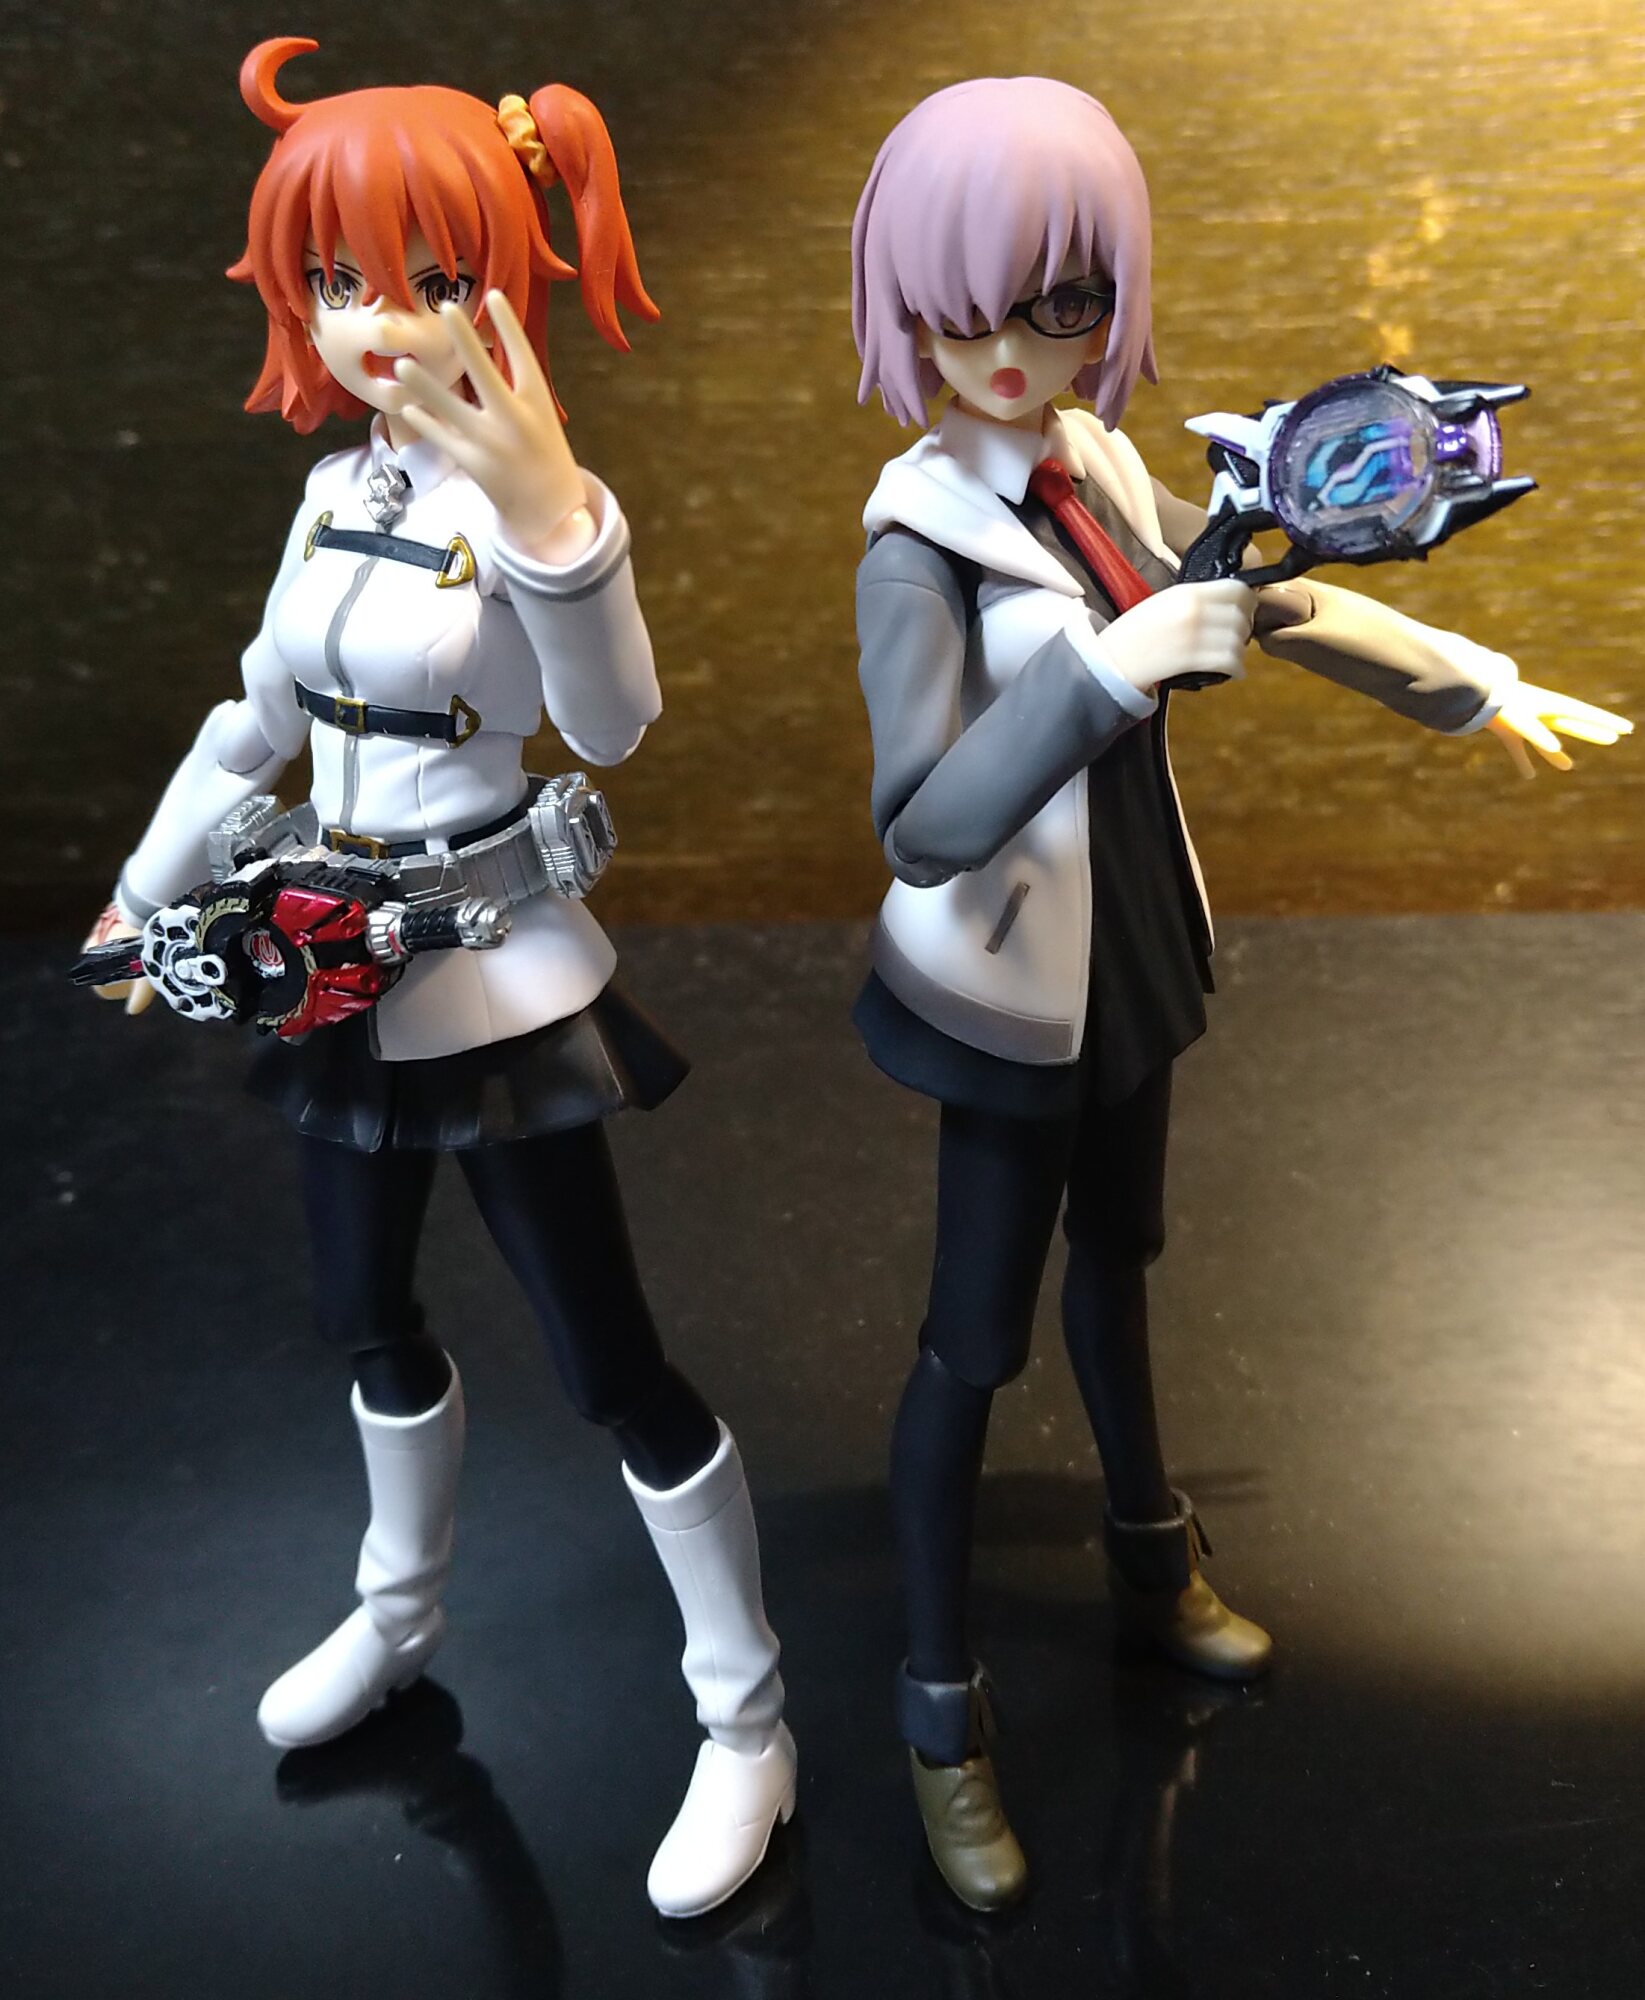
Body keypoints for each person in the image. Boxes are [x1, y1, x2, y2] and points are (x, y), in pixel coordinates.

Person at [849, 73, 1628, 1910]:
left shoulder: (1103, 468)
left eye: (1060, 303)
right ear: (906, 308)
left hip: (1130, 942)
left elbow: (1266, 596)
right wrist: (1106, 677)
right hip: (1000, 982)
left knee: (1122, 1263)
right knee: (973, 1343)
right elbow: (920, 826)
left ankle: (1151, 1555)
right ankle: (940, 1713)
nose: (1010, 350)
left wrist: (1464, 679)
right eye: (964, 308)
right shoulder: (914, 544)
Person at [82, 37, 796, 1920]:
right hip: (331, 976)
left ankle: (745, 1718)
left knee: (608, 1360)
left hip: (493, 979)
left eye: (424, 275)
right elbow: (254, 723)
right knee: (362, 1316)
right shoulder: (330, 493)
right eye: (337, 278)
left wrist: (560, 525)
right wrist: (141, 900)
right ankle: (398, 1613)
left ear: (499, 280)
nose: (374, 318)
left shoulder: (542, 509)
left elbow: (613, 726)